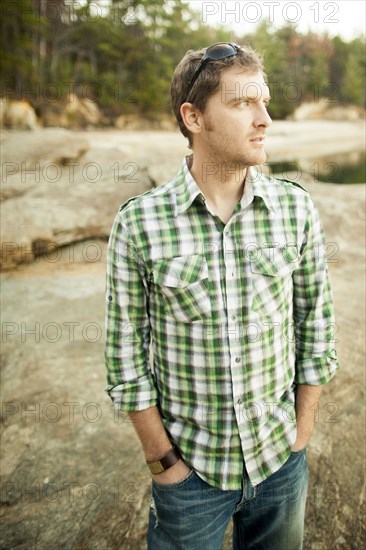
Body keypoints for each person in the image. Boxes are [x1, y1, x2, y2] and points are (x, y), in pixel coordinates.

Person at [104, 42, 340, 550]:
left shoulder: (295, 210)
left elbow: (315, 326)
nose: (265, 119)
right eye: (242, 103)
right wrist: (164, 463)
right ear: (193, 117)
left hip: (280, 463)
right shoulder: (140, 223)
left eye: (265, 101)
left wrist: (301, 433)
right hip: (191, 477)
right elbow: (125, 356)